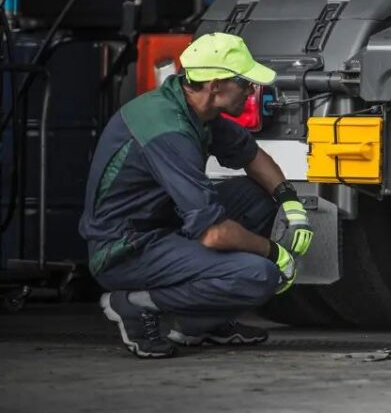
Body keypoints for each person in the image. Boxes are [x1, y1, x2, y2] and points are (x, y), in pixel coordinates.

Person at [79, 32, 314, 358]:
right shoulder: (168, 129)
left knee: (257, 196)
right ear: (216, 85)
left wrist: (291, 202)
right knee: (259, 277)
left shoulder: (194, 109)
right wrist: (275, 252)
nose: (250, 91)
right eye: (244, 82)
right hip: (126, 248)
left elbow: (251, 156)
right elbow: (213, 234)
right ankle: (132, 304)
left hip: (163, 224)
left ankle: (201, 324)